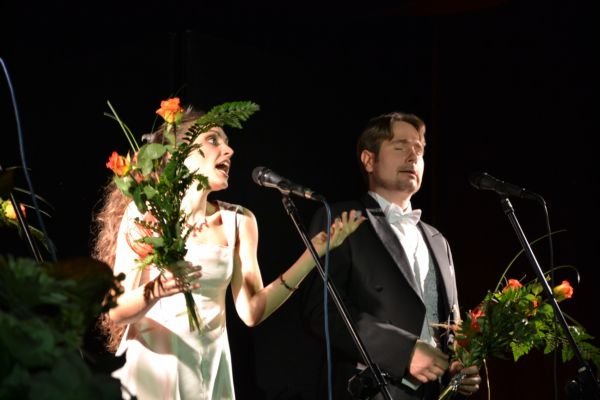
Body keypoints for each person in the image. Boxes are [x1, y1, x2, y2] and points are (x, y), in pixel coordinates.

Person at [91, 107, 366, 400]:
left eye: (227, 142)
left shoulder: (239, 221)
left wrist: (314, 253)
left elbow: (251, 311)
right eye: (213, 140)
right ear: (177, 153)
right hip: (154, 372)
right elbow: (115, 310)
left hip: (208, 370)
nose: (229, 150)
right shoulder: (145, 215)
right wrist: (156, 289)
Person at [300, 112, 481, 400]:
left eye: (419, 149)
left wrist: (458, 364)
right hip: (373, 390)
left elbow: (451, 323)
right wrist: (403, 352)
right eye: (400, 146)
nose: (412, 156)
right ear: (368, 160)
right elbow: (322, 312)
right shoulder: (340, 219)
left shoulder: (438, 240)